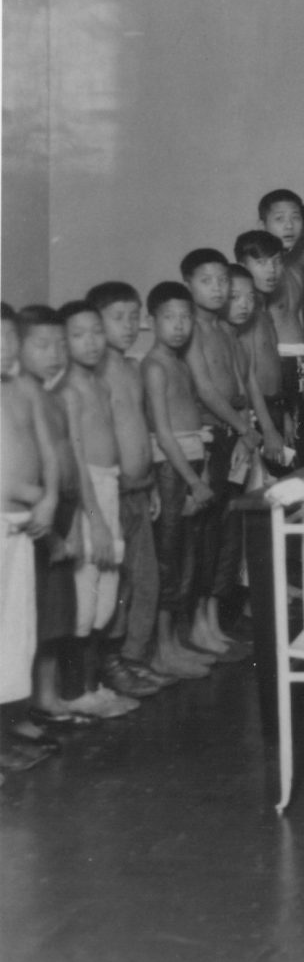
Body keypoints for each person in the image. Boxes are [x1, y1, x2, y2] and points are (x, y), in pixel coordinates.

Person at [85, 282, 171, 696]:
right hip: (112, 493)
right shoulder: (95, 373)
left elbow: (143, 429)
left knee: (145, 581)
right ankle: (110, 662)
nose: (130, 326)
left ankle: (134, 659)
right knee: (114, 586)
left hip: (140, 488)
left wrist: (151, 484)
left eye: (135, 317)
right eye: (118, 318)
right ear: (95, 322)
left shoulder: (133, 368)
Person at [57, 301, 137, 719]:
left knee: (105, 597)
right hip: (87, 501)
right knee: (83, 602)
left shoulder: (98, 383)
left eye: (95, 332)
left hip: (107, 489)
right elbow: (76, 463)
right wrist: (96, 523)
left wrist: (116, 500)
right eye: (78, 335)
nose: (91, 343)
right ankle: (74, 694)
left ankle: (92, 686)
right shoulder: (68, 390)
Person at [181, 249, 257, 659]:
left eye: (223, 281)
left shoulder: (227, 332)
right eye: (207, 281)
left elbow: (239, 389)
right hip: (209, 437)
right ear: (189, 283)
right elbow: (207, 390)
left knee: (228, 533)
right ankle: (197, 626)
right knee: (204, 536)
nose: (218, 289)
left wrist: (245, 428)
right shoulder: (192, 329)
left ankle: (212, 621)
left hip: (232, 437)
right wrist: (244, 426)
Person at [17, 306, 88, 726]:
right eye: (42, 345)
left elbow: (68, 468)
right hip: (33, 523)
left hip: (61, 513)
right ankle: (24, 708)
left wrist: (74, 522)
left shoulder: (54, 397)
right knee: (29, 620)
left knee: (54, 617)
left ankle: (46, 697)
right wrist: (51, 535)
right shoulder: (19, 400)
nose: (55, 353)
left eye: (61, 344)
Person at [142, 283, 214, 680]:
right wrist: (192, 480)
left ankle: (174, 643)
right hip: (171, 469)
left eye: (185, 317)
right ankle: (160, 649)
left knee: (187, 556)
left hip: (190, 464)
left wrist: (198, 474)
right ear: (151, 321)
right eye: (169, 318)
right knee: (168, 559)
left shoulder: (179, 362)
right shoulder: (153, 365)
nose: (179, 326)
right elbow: (164, 432)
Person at [0, 304, 57, 770]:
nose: (2, 348)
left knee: (14, 639)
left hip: (22, 532)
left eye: (8, 338)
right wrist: (26, 492)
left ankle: (5, 735)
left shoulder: (23, 390)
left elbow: (50, 453)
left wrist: (49, 500)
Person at [260, 189, 304, 458]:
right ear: (263, 223)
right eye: (279, 219)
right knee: (282, 459)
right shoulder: (262, 275)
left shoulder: (300, 272)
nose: (289, 226)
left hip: (303, 366)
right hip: (277, 372)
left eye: (295, 218)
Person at [233, 231, 291, 472]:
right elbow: (249, 378)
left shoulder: (264, 308)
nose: (271, 270)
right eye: (261, 263)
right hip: (259, 412)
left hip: (274, 407)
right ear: (242, 266)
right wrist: (267, 428)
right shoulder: (246, 313)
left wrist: (284, 415)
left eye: (277, 261)